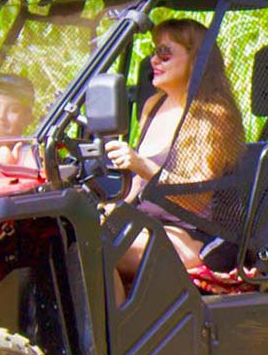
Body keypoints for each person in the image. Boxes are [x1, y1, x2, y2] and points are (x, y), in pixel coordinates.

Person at [103, 18, 246, 285]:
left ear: (195, 60)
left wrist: (142, 164)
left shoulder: (212, 116)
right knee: (81, 238)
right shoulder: (153, 106)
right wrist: (111, 208)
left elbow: (197, 200)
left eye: (164, 53)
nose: (154, 61)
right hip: (149, 226)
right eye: (154, 50)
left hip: (194, 235)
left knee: (102, 250)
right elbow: (137, 187)